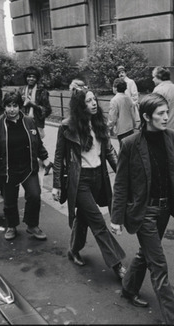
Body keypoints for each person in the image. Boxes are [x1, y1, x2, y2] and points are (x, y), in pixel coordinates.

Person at [110, 93, 174, 325]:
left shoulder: (173, 137)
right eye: (161, 113)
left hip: (165, 209)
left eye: (167, 112)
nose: (167, 117)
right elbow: (121, 183)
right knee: (159, 265)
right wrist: (116, 217)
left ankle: (128, 289)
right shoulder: (130, 144)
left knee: (146, 254)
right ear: (146, 116)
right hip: (144, 212)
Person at [51, 88, 127, 280]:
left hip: (99, 177)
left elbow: (109, 151)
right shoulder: (67, 127)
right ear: (79, 105)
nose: (94, 103)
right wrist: (57, 184)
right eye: (88, 101)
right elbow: (59, 157)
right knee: (98, 222)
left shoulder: (99, 122)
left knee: (84, 218)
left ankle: (74, 249)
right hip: (80, 180)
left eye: (94, 99)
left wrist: (122, 173)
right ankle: (117, 263)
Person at [0, 90, 50, 241]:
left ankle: (32, 225)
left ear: (20, 107)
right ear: (4, 107)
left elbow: (37, 143)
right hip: (7, 169)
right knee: (10, 200)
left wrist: (44, 158)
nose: (12, 109)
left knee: (35, 196)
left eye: (15, 106)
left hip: (28, 167)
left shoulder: (29, 121)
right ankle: (12, 226)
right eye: (9, 106)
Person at [19, 66, 53, 175]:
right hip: (23, 122)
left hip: (36, 122)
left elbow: (47, 110)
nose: (31, 79)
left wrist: (32, 104)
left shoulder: (42, 91)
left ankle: (41, 165)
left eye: (33, 77)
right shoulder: (21, 90)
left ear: (36, 78)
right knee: (29, 144)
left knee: (35, 144)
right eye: (29, 76)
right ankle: (45, 163)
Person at [151, 66, 174, 137]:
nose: (153, 79)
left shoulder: (158, 90)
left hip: (164, 130)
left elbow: (155, 112)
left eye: (154, 77)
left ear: (159, 77)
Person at [108, 78, 137, 147]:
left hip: (121, 130)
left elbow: (112, 118)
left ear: (115, 88)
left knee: (123, 150)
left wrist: (110, 128)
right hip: (130, 128)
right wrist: (134, 124)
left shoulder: (114, 100)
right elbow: (133, 113)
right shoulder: (128, 98)